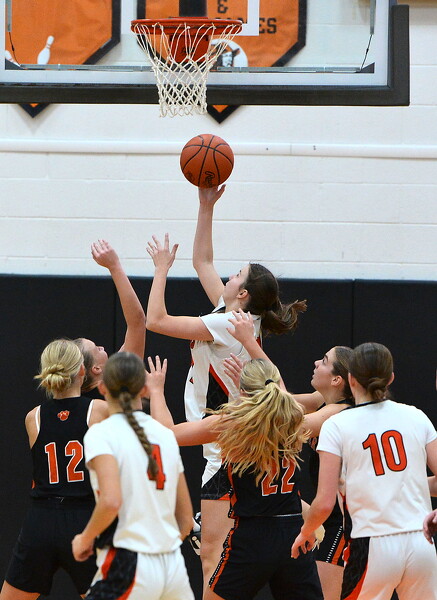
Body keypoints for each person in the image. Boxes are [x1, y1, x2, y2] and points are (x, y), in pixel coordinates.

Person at [146, 185, 307, 586]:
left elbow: (156, 321)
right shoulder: (235, 315)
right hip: (230, 438)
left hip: (224, 446)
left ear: (244, 293)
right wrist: (206, 206)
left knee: (213, 559)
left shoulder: (225, 324)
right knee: (225, 553)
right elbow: (203, 260)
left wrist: (161, 269)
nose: (229, 276)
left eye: (237, 275)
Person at [149, 356, 323, 600]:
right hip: (293, 530)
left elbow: (167, 434)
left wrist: (156, 390)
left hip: (252, 535)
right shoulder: (293, 418)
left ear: (243, 391)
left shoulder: (233, 422)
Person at [291, 342, 437, 600]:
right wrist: (402, 483)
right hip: (421, 543)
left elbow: (324, 503)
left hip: (373, 543)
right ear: (391, 378)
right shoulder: (416, 416)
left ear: (350, 379)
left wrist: (305, 532)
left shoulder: (337, 424)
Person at [222, 314, 353, 599]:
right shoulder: (324, 401)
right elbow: (282, 399)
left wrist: (249, 343)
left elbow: (285, 416)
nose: (316, 363)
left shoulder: (338, 412)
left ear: (337, 379)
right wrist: (257, 389)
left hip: (343, 524)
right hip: (329, 518)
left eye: (324, 361)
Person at [72, 352, 194, 600]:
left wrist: (84, 539)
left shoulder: (101, 433)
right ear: (144, 389)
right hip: (173, 567)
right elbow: (185, 521)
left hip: (129, 561)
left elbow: (110, 501)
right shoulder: (165, 435)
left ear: (102, 388)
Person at [0, 339, 108, 600]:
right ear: (81, 370)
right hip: (84, 517)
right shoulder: (100, 410)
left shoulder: (33, 417)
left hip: (41, 520)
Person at [75, 239, 146, 397]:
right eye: (96, 348)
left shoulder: (76, 398)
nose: (101, 347)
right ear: (96, 368)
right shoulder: (119, 381)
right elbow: (137, 322)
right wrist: (114, 266)